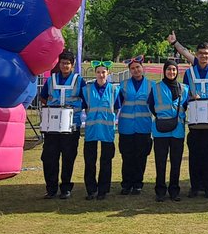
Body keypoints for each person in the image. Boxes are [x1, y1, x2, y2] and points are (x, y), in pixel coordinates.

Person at [176, 41, 208, 198]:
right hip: (195, 122)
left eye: (207, 54)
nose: (204, 56)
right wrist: (191, 97)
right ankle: (195, 186)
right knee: (195, 155)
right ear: (196, 55)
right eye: (201, 53)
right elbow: (185, 93)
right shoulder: (189, 73)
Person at [40, 52, 84, 200]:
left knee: (68, 157)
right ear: (59, 64)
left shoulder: (79, 80)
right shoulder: (51, 80)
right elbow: (43, 97)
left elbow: (85, 99)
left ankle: (66, 188)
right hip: (52, 126)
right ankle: (51, 189)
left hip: (71, 126)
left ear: (72, 65)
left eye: (68, 63)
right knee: (49, 158)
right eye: (62, 63)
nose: (65, 66)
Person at [148, 59, 188, 202]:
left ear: (177, 72)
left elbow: (187, 106)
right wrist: (161, 117)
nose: (171, 72)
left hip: (177, 130)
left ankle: (174, 190)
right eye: (169, 69)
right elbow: (151, 104)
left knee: (176, 162)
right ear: (164, 71)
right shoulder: (156, 87)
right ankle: (160, 191)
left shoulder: (184, 88)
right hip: (160, 130)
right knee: (160, 161)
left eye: (174, 70)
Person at [81, 61, 118, 200]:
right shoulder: (87, 90)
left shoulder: (114, 90)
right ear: (95, 73)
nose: (101, 75)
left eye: (104, 72)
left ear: (108, 74)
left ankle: (103, 190)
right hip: (91, 130)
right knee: (90, 161)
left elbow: (116, 108)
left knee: (106, 161)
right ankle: (91, 189)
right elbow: (85, 107)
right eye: (98, 72)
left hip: (107, 130)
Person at [116, 56, 153, 195]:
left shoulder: (151, 85)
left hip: (143, 127)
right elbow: (116, 102)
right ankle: (126, 184)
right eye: (133, 68)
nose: (136, 70)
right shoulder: (123, 85)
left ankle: (138, 183)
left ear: (142, 68)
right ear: (129, 71)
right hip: (126, 127)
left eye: (138, 67)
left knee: (141, 156)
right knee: (127, 156)